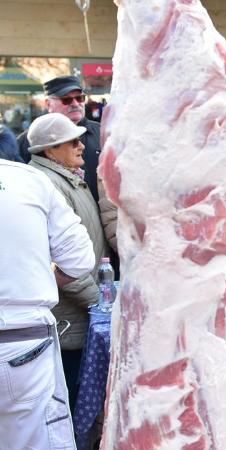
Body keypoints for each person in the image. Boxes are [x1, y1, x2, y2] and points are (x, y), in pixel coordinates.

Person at [0, 158, 95, 450]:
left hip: (22, 339)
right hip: (22, 340)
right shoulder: (27, 178)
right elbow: (78, 259)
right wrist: (36, 282)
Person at [26, 113, 109, 409]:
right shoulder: (48, 185)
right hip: (66, 322)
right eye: (71, 141)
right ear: (50, 151)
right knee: (67, 407)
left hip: (79, 317)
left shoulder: (68, 180)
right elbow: (57, 259)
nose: (81, 146)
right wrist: (98, 301)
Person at [19, 76, 103, 202]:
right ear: (48, 103)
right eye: (66, 100)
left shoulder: (103, 132)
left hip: (105, 217)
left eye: (79, 98)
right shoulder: (29, 140)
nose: (75, 104)